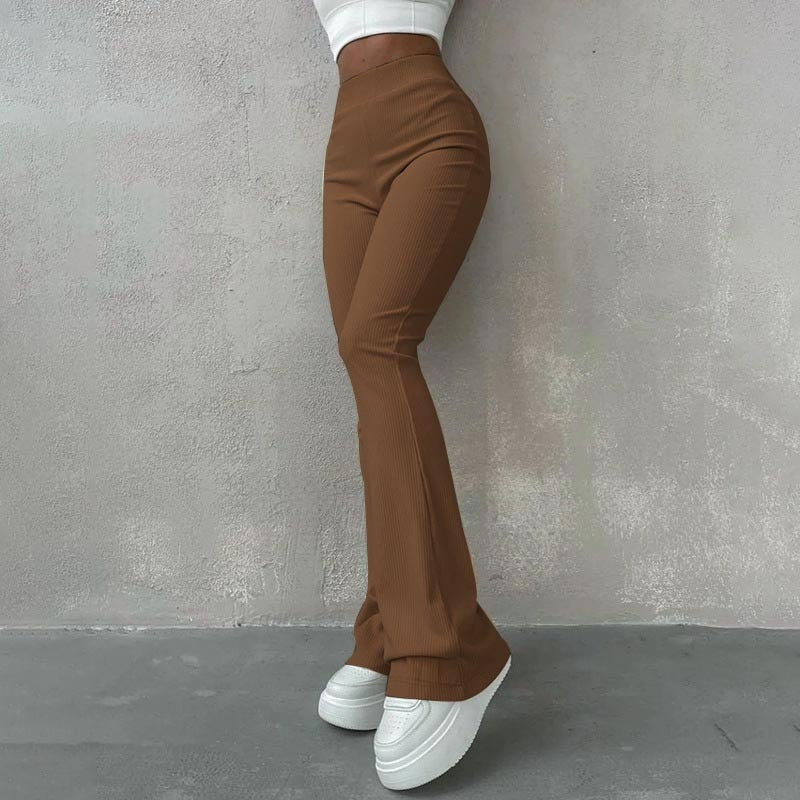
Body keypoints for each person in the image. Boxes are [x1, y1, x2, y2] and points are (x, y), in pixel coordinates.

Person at [312, 1, 512, 789]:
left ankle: (447, 652)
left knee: (377, 345)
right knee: (366, 368)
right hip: (347, 138)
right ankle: (387, 627)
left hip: (432, 123)